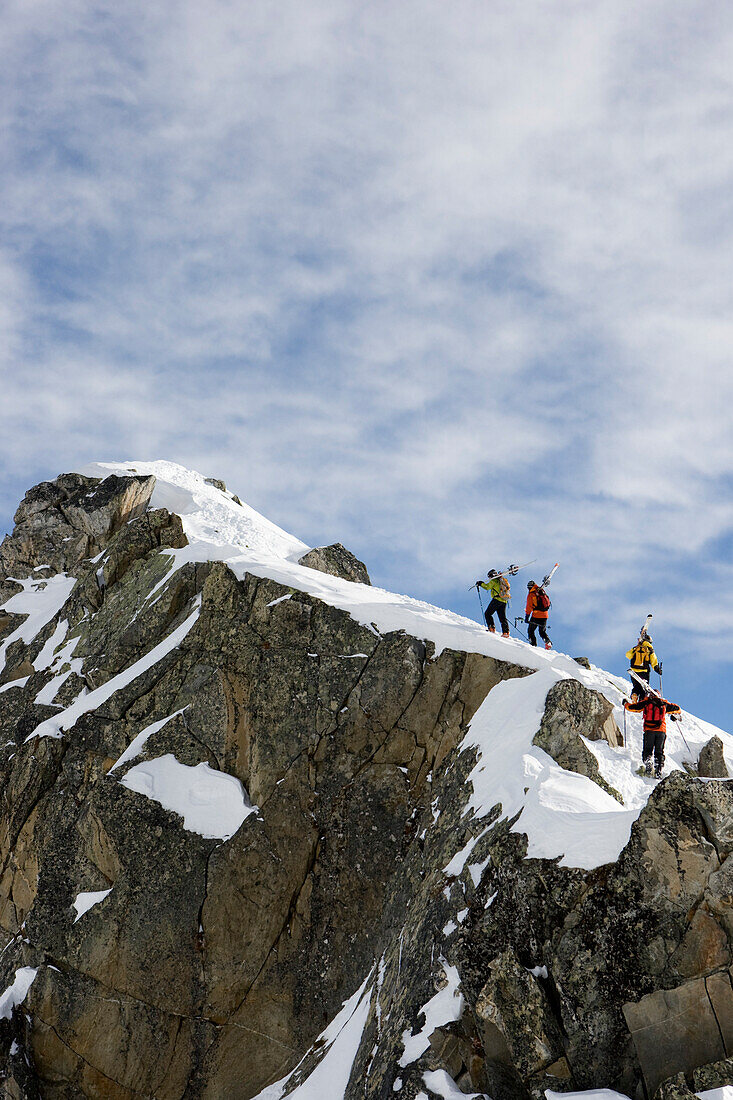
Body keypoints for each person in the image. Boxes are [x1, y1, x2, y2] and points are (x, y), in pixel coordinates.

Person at [624, 691, 680, 777]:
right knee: (659, 752)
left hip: (649, 730)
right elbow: (677, 708)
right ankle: (658, 770)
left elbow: (633, 707)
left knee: (647, 750)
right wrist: (673, 715)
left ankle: (648, 763)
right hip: (661, 732)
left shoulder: (646, 702)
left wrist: (625, 703)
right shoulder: (663, 703)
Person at [476, 569, 510, 637]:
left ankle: (491, 628)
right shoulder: (502, 580)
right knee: (502, 617)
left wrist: (481, 583)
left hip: (497, 599)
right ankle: (506, 632)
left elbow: (487, 587)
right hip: (504, 600)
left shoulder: (494, 580)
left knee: (488, 613)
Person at [626, 634, 660, 700]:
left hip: (634, 671)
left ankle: (634, 694)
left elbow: (628, 655)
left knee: (636, 686)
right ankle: (642, 700)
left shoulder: (637, 647)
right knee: (644, 688)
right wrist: (657, 669)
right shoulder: (649, 648)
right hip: (644, 672)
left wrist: (634, 648)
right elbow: (653, 659)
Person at [525, 581, 551, 649]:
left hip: (536, 615)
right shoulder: (541, 590)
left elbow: (529, 607)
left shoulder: (531, 594)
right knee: (542, 631)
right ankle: (548, 642)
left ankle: (533, 645)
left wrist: (527, 617)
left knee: (530, 631)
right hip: (545, 615)